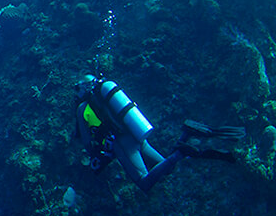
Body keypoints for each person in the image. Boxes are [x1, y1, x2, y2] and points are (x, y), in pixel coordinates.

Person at [74, 75, 242, 192]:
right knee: (166, 168)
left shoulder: (83, 108)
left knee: (144, 182)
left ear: (83, 86)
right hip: (137, 134)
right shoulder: (107, 92)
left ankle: (180, 152)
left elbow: (88, 143)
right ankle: (185, 135)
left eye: (77, 88)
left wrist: (96, 153)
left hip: (123, 144)